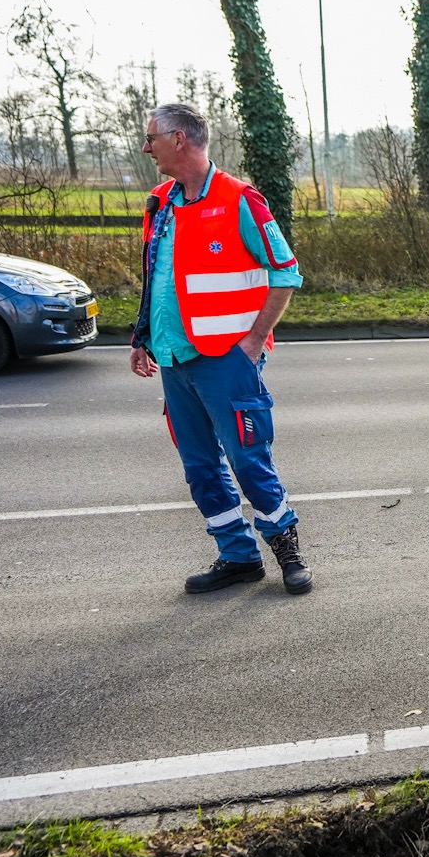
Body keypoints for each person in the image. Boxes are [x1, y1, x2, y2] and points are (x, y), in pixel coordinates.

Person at [129, 103, 311, 595]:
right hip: (173, 357)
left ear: (179, 140)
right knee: (200, 467)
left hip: (226, 360)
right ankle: (237, 556)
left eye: (152, 138)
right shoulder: (159, 202)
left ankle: (287, 549)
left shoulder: (240, 200)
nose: (146, 148)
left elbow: (285, 273)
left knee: (248, 460)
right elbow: (156, 278)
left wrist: (253, 342)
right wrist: (142, 336)